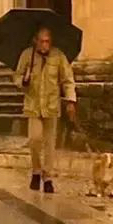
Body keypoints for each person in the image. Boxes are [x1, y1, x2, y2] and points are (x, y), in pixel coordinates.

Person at [15, 24, 77, 192]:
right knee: (34, 139)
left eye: (47, 41)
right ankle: (36, 170)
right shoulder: (27, 56)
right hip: (34, 105)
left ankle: (48, 177)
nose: (44, 45)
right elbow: (17, 77)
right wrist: (24, 81)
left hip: (51, 106)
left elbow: (67, 80)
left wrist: (71, 101)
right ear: (35, 41)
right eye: (41, 41)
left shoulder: (58, 57)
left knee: (50, 144)